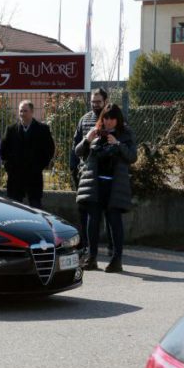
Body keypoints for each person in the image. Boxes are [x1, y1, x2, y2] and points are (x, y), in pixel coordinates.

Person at [75, 103, 136, 272]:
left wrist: (117, 143)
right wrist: (87, 139)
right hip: (95, 184)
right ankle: (91, 258)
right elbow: (78, 152)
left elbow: (132, 156)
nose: (108, 122)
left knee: (114, 221)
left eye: (112, 118)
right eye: (106, 118)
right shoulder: (96, 132)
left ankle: (117, 259)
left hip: (115, 185)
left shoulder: (126, 134)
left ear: (118, 119)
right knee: (92, 221)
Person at [71, 88, 114, 258]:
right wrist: (73, 168)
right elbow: (76, 147)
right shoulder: (85, 119)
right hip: (86, 173)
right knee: (86, 214)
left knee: (109, 214)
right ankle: (87, 247)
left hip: (106, 175)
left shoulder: (112, 119)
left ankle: (112, 246)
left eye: (98, 102)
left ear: (105, 101)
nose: (95, 105)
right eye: (93, 102)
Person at [0, 100, 55, 208]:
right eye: (21, 111)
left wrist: (39, 166)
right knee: (14, 208)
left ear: (32, 112)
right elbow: (3, 150)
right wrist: (9, 167)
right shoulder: (11, 130)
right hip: (15, 177)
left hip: (34, 176)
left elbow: (49, 150)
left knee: (36, 208)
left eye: (25, 111)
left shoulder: (43, 129)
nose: (22, 114)